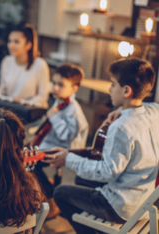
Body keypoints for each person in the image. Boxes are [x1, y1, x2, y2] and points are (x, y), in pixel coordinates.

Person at [45, 58, 159, 234]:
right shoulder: (153, 115)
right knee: (81, 180)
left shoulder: (121, 127)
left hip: (120, 207)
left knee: (60, 193)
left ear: (126, 91)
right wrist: (122, 110)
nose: (109, 89)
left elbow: (106, 172)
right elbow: (150, 107)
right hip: (143, 201)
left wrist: (69, 160)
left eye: (113, 84)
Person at [33, 63, 89, 220]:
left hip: (66, 150)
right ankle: (47, 186)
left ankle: (52, 200)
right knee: (25, 156)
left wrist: (53, 116)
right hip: (52, 145)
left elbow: (66, 135)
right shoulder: (60, 101)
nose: (55, 88)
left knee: (32, 164)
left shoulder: (74, 111)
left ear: (74, 88)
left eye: (61, 85)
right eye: (54, 83)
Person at [0, 24, 50, 109]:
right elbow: (2, 88)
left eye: (16, 42)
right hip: (10, 109)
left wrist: (24, 103)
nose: (11, 45)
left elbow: (42, 96)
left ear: (28, 45)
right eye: (9, 41)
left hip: (31, 112)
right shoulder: (7, 61)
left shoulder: (40, 65)